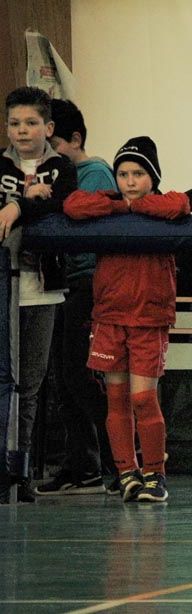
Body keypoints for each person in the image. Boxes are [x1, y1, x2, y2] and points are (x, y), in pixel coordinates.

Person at [63, 136, 190, 503]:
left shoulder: (162, 205)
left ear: (153, 177)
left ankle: (155, 474)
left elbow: (180, 204)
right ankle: (126, 472)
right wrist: (120, 206)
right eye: (123, 174)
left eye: (138, 174)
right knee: (116, 399)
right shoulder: (109, 204)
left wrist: (138, 207)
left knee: (144, 399)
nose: (130, 182)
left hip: (149, 317)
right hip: (109, 316)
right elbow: (72, 205)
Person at [35, 99, 118, 496]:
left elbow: (91, 223)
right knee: (63, 377)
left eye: (54, 144)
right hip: (61, 283)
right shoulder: (50, 174)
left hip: (89, 282)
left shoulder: (94, 172)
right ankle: (84, 465)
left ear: (75, 138)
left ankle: (123, 459)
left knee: (80, 375)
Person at [0, 87, 77, 502]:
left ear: (47, 127)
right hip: (3, 286)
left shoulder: (61, 167)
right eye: (14, 123)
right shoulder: (0, 164)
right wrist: (22, 198)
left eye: (31, 123)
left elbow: (62, 206)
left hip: (42, 287)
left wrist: (17, 207)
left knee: (29, 383)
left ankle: (21, 469)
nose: (22, 130)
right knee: (3, 380)